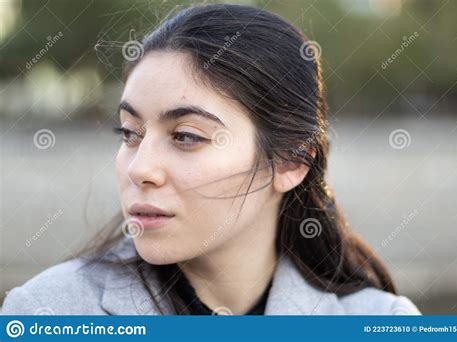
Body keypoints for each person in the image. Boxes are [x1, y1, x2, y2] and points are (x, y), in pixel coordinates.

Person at [2, 3, 421, 316]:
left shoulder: (381, 321)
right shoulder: (48, 313)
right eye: (130, 133)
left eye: (186, 136)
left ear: (292, 162)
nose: (140, 169)